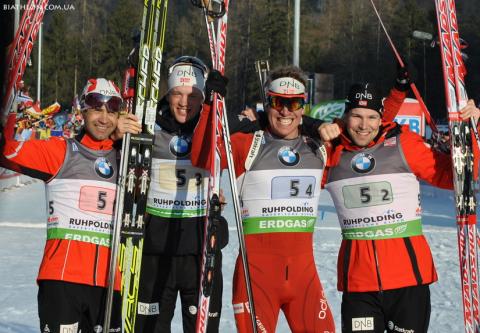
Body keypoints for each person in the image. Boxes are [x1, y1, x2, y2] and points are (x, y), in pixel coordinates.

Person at [323, 82, 480, 333]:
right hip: (358, 285)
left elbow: (456, 178)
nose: (364, 126)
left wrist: (470, 128)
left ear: (381, 116)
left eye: (372, 117)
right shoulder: (331, 154)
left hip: (409, 280)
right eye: (357, 116)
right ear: (345, 117)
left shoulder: (403, 144)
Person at [191, 66, 336, 333]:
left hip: (305, 280)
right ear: (267, 102)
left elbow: (366, 134)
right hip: (254, 278)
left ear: (303, 106)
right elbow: (202, 158)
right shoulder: (248, 143)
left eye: (293, 103)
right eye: (278, 102)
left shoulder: (319, 148)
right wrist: (211, 104)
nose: (285, 111)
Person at [0, 78, 141, 333]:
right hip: (62, 281)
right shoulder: (61, 152)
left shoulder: (126, 159)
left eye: (111, 110)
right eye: (97, 108)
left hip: (110, 284)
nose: (103, 118)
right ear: (83, 111)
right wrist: (8, 110)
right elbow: (7, 151)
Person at [134, 56, 229, 333]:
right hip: (156, 250)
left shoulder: (217, 128)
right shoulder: (148, 127)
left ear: (203, 98)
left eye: (193, 95)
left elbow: (271, 124)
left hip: (201, 251)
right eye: (177, 93)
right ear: (168, 93)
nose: (184, 102)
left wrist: (311, 125)